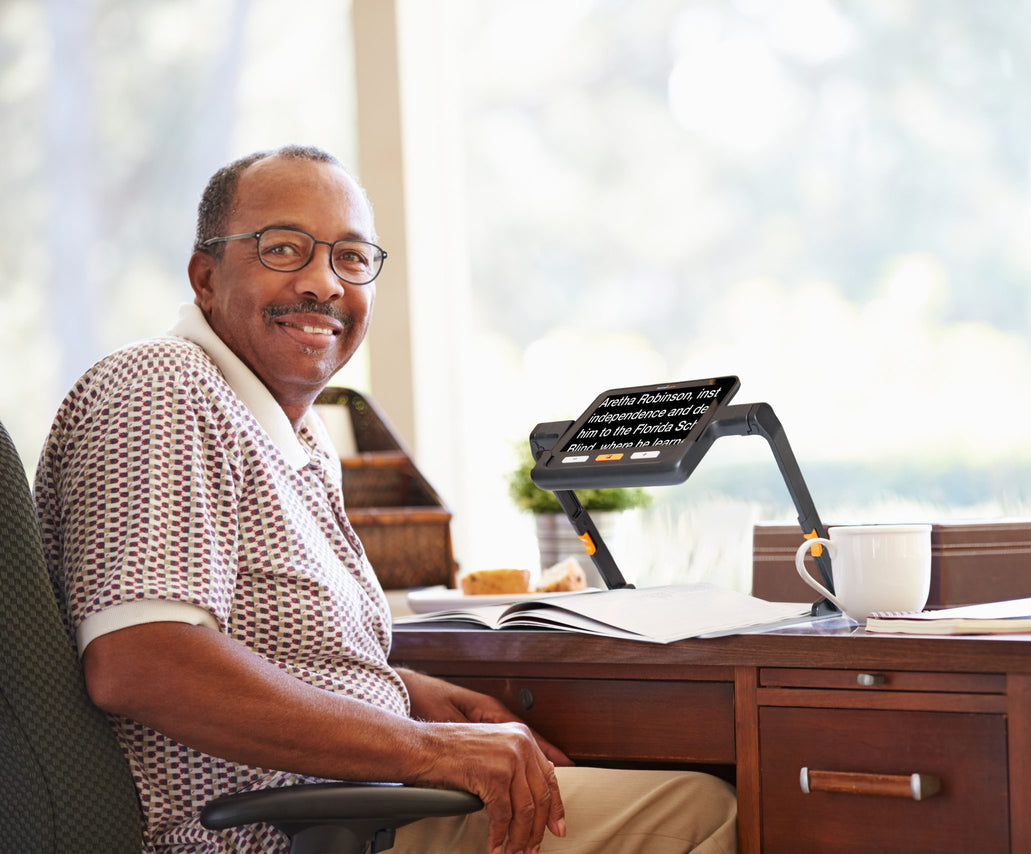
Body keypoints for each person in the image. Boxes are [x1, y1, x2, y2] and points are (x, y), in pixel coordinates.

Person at [34, 144, 737, 854]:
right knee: (696, 809)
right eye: (284, 249)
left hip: (348, 806)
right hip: (268, 833)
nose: (323, 284)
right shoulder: (162, 387)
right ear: (205, 276)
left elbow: (253, 636)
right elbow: (144, 660)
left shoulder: (295, 437)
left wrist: (399, 691)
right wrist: (422, 746)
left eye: (350, 257)